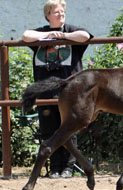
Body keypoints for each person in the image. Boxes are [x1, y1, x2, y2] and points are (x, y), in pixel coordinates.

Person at [22, 0, 93, 178]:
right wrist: (47, 37)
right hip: (46, 90)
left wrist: (63, 37)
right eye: (56, 12)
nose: (61, 14)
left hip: (70, 91)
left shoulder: (70, 30)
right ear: (48, 16)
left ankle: (69, 167)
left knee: (69, 128)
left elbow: (85, 36)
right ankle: (54, 167)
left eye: (62, 12)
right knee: (49, 129)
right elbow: (25, 36)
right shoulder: (41, 32)